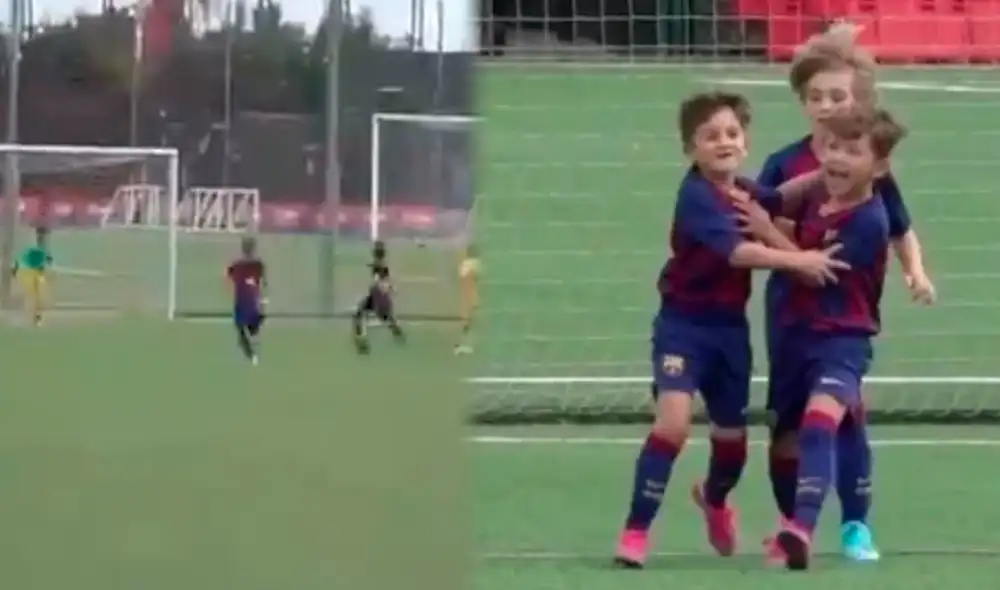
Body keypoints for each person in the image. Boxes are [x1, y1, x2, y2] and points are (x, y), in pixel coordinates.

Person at [612, 91, 848, 569]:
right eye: (710, 135)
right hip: (683, 327)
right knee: (673, 425)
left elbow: (781, 196)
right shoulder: (696, 196)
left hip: (729, 334)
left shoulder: (742, 188)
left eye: (732, 134)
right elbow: (741, 253)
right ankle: (635, 532)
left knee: (732, 442)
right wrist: (797, 258)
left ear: (745, 142)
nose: (723, 142)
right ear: (691, 148)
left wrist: (836, 172)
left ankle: (715, 499)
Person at [755, 23, 935, 564]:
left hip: (841, 322)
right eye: (816, 97)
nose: (826, 105)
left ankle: (854, 524)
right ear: (803, 102)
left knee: (840, 414)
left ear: (857, 98)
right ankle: (791, 526)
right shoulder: (787, 163)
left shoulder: (870, 181)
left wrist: (916, 271)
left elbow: (899, 228)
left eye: (838, 96)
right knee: (785, 429)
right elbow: (766, 211)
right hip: (788, 318)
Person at [353, 240, 405, 354]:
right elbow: (385, 281)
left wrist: (381, 289)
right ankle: (362, 338)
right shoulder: (380, 264)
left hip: (378, 297)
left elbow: (380, 281)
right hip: (379, 296)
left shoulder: (379, 265)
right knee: (362, 313)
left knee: (363, 314)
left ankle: (362, 340)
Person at [226, 236, 267, 365]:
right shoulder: (259, 265)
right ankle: (252, 339)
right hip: (253, 303)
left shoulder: (236, 265)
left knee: (241, 329)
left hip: (241, 302)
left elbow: (228, 275)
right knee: (252, 326)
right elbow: (262, 283)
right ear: (253, 249)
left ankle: (251, 353)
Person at [13, 226, 53, 327]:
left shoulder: (43, 247)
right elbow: (22, 258)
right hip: (28, 271)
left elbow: (47, 259)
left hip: (37, 273)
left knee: (39, 296)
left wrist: (48, 262)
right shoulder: (32, 247)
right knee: (32, 296)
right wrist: (15, 269)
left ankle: (36, 317)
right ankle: (33, 317)